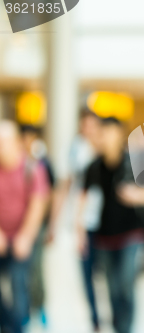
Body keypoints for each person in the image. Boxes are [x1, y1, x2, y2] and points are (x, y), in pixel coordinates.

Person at [77, 117, 144, 333]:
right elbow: (83, 200)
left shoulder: (134, 163)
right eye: (102, 134)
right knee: (112, 286)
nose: (105, 138)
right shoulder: (94, 167)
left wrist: (137, 196)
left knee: (126, 282)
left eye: (110, 133)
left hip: (132, 233)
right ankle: (118, 325)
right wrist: (78, 232)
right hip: (104, 235)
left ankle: (126, 327)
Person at [49, 109, 102, 331]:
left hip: (106, 220)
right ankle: (95, 317)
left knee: (105, 271)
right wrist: (54, 222)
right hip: (83, 220)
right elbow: (64, 186)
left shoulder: (105, 148)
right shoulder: (74, 151)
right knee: (86, 270)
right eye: (85, 125)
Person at [0, 121, 49, 333]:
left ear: (16, 143)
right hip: (1, 235)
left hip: (23, 236)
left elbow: (38, 204)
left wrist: (26, 237)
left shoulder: (32, 168)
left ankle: (20, 325)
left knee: (20, 282)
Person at [19, 125, 56, 328]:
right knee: (19, 271)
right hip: (15, 227)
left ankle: (39, 307)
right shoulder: (11, 164)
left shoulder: (42, 164)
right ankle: (22, 310)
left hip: (38, 224)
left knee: (36, 268)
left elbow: (50, 194)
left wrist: (50, 224)